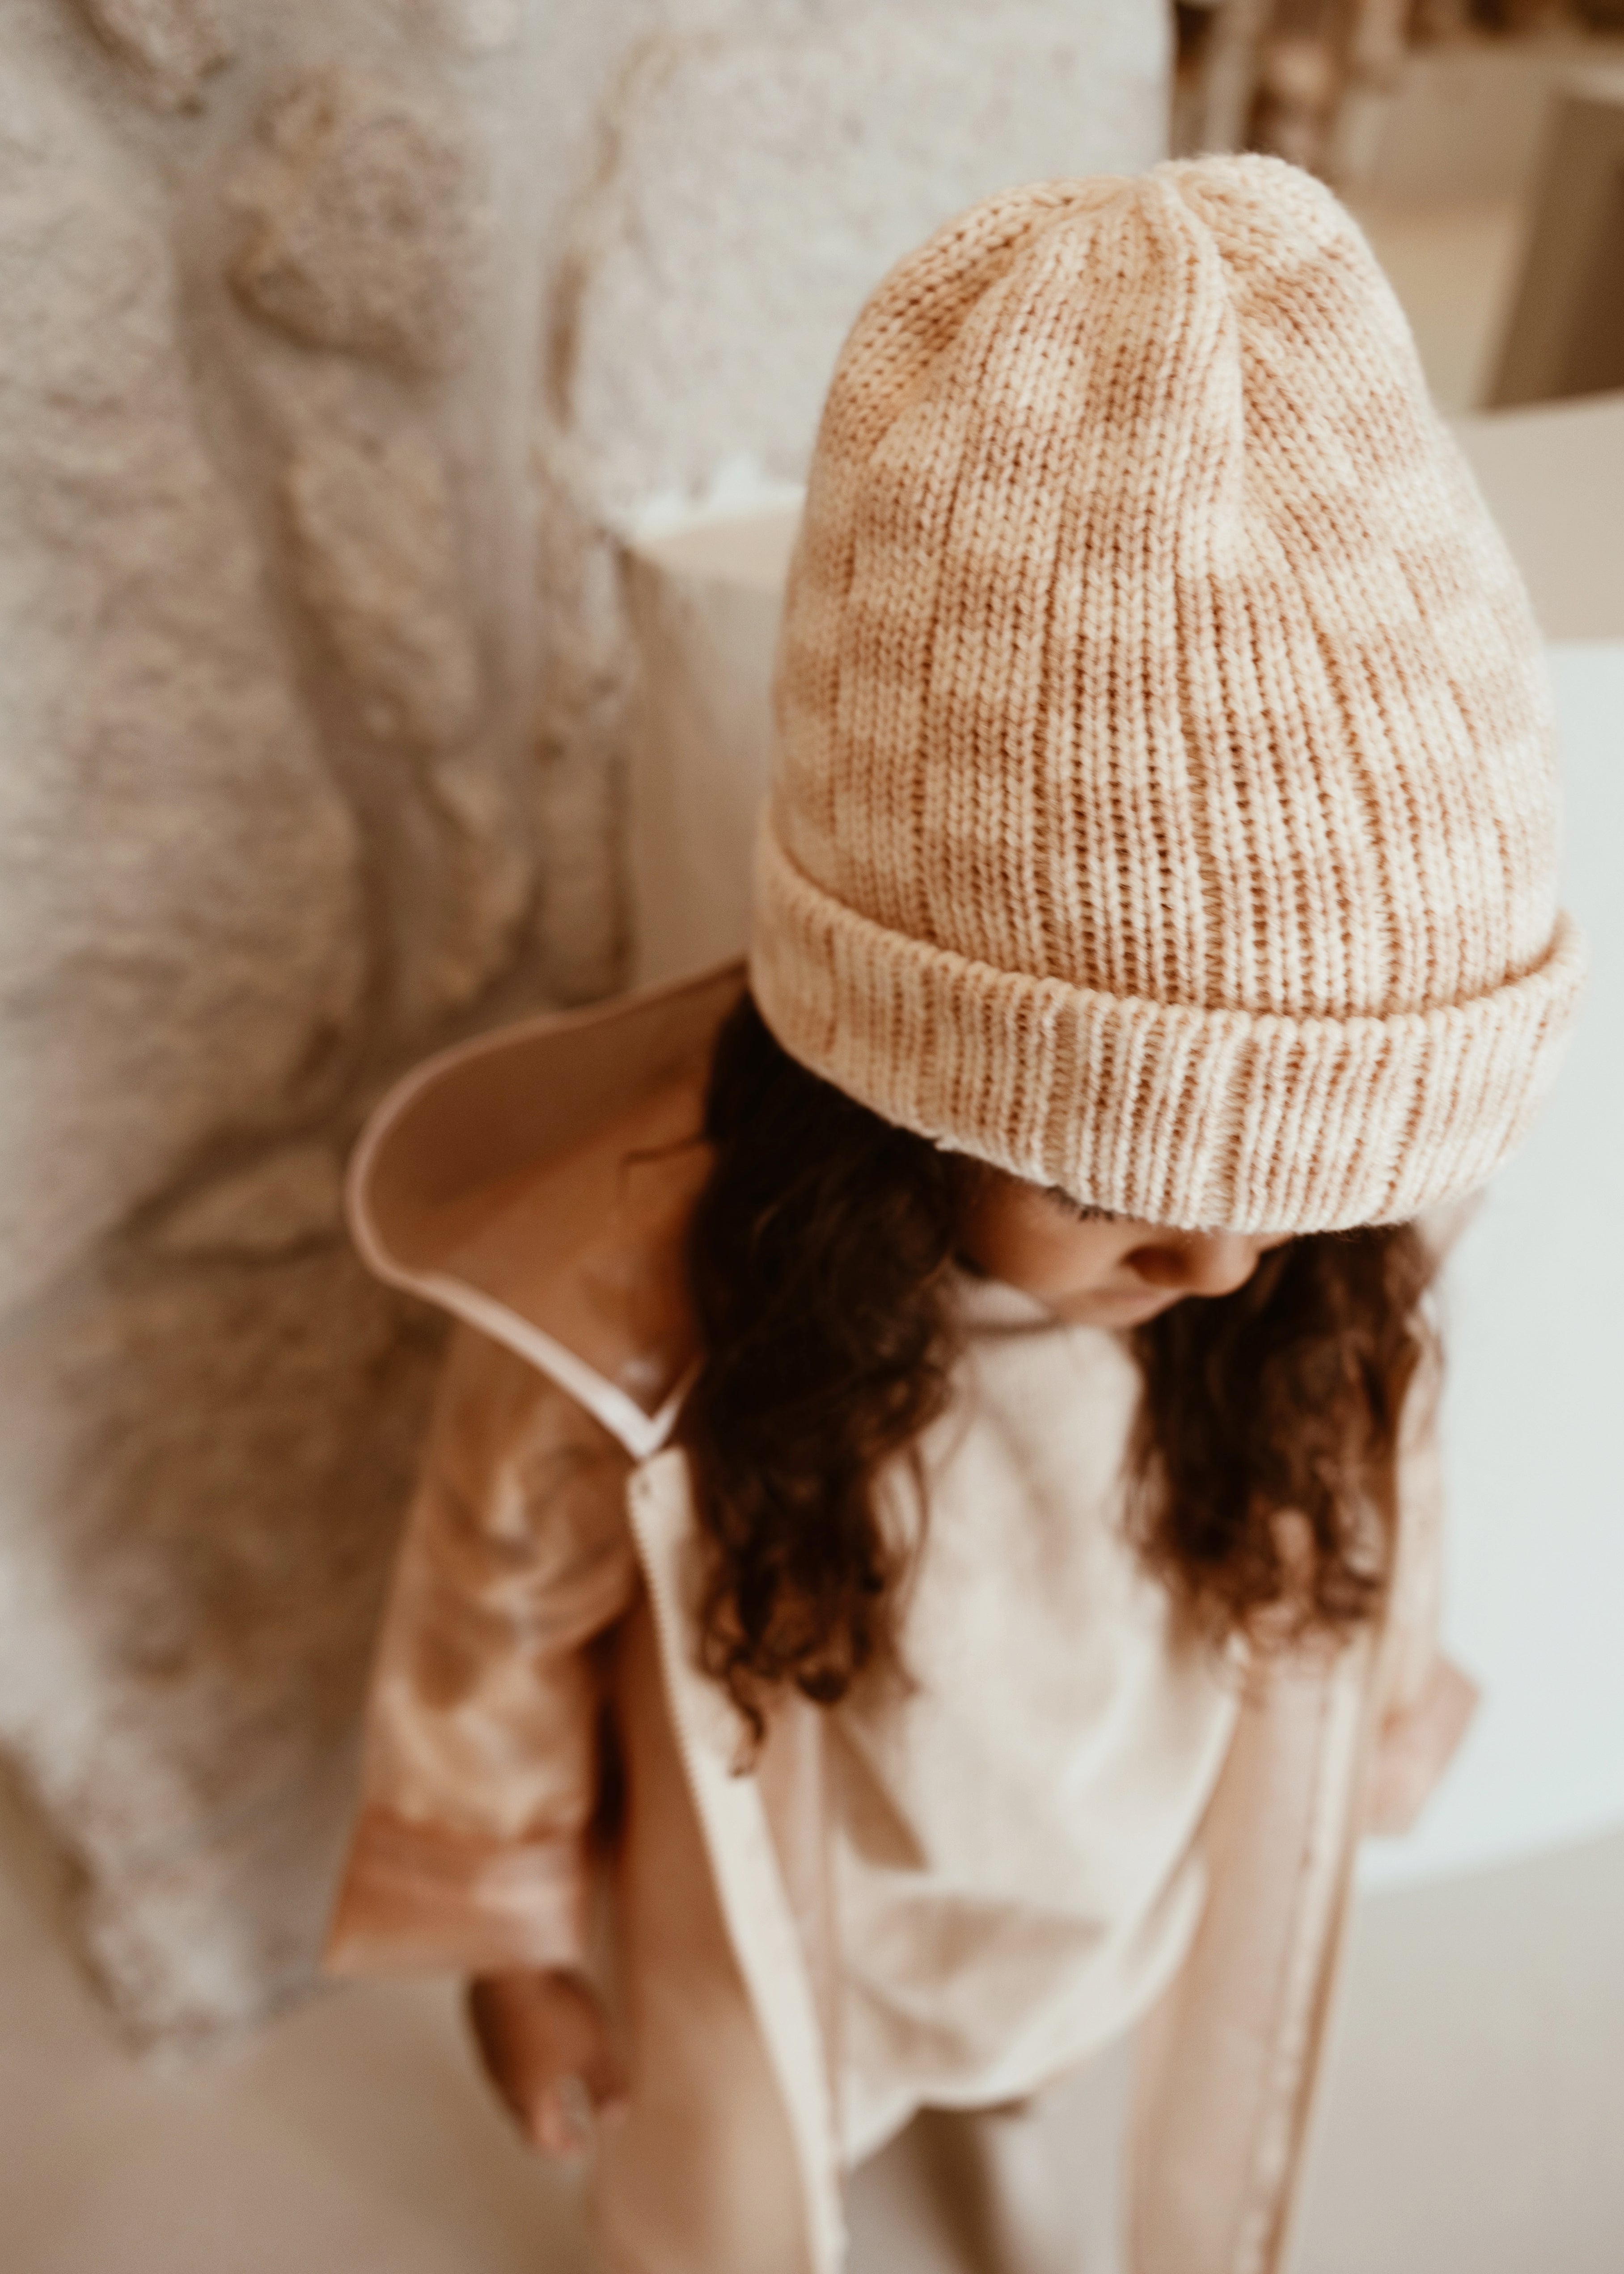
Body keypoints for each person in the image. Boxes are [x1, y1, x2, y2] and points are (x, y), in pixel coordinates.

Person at [324, 155, 1583, 2274]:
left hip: (1105, 1818)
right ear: (886, 1093)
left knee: (1055, 2015)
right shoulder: (640, 1296)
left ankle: (1003, 2097)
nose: (1214, 1265)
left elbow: (1389, 1464)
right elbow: (494, 1601)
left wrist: (1375, 1705)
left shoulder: (1282, 1292)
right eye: (1103, 1185)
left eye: (1285, 1193)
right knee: (748, 2111)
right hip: (808, 1831)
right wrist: (515, 1931)